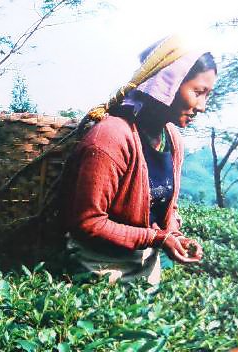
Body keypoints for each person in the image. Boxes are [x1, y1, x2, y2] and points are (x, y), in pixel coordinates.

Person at [59, 34, 217, 285]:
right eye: (198, 92)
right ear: (169, 83)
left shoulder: (172, 139)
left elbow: (165, 206)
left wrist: (174, 235)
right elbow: (88, 222)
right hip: (98, 267)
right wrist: (158, 238)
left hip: (145, 263)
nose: (202, 106)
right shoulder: (110, 137)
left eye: (207, 94)